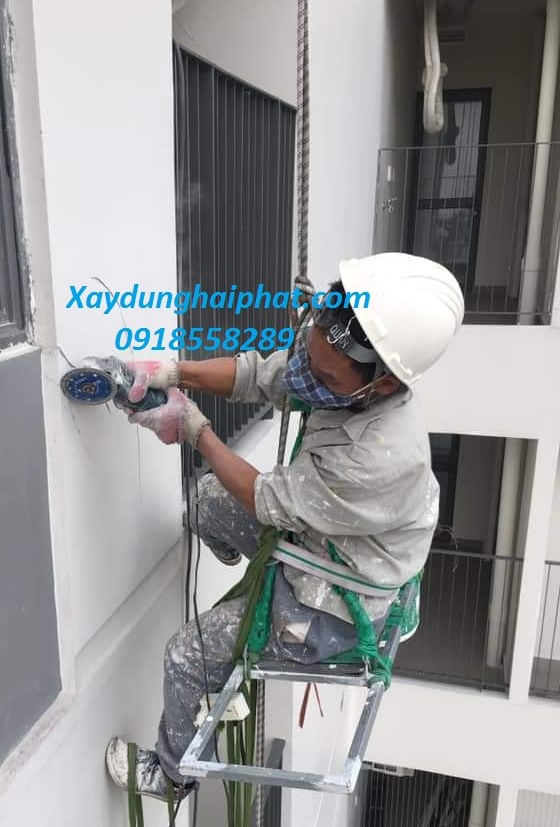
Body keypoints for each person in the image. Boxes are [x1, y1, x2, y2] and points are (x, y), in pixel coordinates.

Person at [105, 253, 464, 802]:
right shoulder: (341, 361)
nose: (306, 375)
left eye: (324, 376)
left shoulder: (374, 459)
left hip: (336, 601)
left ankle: (173, 777)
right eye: (311, 355)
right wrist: (172, 373)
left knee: (185, 654)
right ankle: (240, 599)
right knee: (205, 502)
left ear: (384, 383)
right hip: (323, 533)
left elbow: (266, 498)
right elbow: (262, 376)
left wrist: (194, 428)